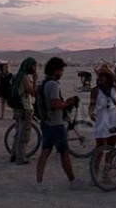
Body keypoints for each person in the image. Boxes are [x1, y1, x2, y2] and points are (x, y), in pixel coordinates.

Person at [33, 57, 80, 188]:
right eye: (61, 70)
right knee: (64, 153)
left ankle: (39, 182)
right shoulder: (53, 84)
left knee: (44, 153)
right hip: (56, 124)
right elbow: (56, 103)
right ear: (56, 70)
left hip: (46, 123)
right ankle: (72, 181)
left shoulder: (44, 82)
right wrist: (68, 103)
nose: (62, 73)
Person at [6, 57, 39, 164]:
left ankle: (14, 154)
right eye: (33, 66)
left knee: (18, 132)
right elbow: (33, 92)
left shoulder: (17, 76)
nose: (35, 68)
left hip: (17, 108)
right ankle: (20, 158)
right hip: (25, 108)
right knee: (24, 134)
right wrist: (35, 80)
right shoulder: (25, 78)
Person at [90, 66, 116, 156]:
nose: (100, 78)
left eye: (102, 76)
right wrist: (90, 113)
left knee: (111, 146)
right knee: (100, 148)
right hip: (101, 120)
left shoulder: (115, 89)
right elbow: (92, 105)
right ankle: (96, 168)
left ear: (108, 77)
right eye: (99, 76)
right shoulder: (95, 91)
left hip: (113, 120)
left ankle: (107, 166)